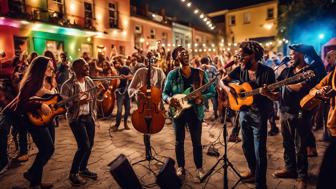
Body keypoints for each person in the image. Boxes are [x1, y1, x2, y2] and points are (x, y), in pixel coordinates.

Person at [261, 44, 321, 189]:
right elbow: (276, 96)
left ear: (301, 54)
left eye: (293, 54)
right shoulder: (286, 71)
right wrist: (267, 93)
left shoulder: (309, 71)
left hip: (301, 112)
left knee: (300, 145)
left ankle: (302, 176)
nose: (291, 56)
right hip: (284, 111)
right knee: (287, 143)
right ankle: (290, 169)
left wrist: (283, 85)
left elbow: (300, 87)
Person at [220, 41, 275, 189]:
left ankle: (260, 183)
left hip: (260, 115)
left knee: (259, 150)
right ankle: (253, 171)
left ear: (252, 55)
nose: (239, 57)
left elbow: (277, 96)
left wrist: (268, 93)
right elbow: (222, 81)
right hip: (244, 113)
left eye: (242, 55)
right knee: (246, 146)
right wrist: (229, 90)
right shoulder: (240, 69)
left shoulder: (267, 72)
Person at [1, 56, 55, 188]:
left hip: (40, 118)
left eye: (52, 66)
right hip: (30, 119)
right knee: (47, 149)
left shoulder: (42, 81)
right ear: (40, 68)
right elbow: (22, 104)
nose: (52, 69)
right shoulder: (31, 81)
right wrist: (39, 105)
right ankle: (32, 176)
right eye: (49, 66)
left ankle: (34, 179)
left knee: (47, 149)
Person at [162, 46, 215, 181]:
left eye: (186, 52)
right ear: (176, 58)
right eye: (181, 53)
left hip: (195, 112)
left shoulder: (200, 73)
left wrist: (201, 98)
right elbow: (164, 93)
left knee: (196, 142)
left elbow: (212, 91)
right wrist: (169, 100)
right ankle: (181, 167)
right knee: (179, 142)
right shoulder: (172, 74)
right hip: (178, 112)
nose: (185, 54)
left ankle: (199, 168)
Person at [61, 58, 98, 186]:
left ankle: (83, 169)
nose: (87, 68)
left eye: (87, 66)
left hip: (89, 117)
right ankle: (73, 173)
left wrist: (103, 91)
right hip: (76, 118)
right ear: (76, 69)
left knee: (90, 144)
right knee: (83, 146)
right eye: (84, 67)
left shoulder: (89, 81)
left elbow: (95, 98)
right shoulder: (67, 85)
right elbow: (64, 105)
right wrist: (77, 102)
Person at [313, 51, 336, 189]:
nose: (328, 59)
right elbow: (318, 87)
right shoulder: (332, 73)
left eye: (330, 56)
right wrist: (320, 92)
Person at [111, 58, 133, 132]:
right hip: (119, 91)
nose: (115, 65)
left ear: (120, 62)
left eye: (116, 63)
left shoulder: (125, 68)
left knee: (127, 109)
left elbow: (131, 76)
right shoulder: (115, 71)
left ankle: (125, 124)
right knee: (119, 110)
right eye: (114, 64)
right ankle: (117, 125)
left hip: (126, 91)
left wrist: (125, 77)